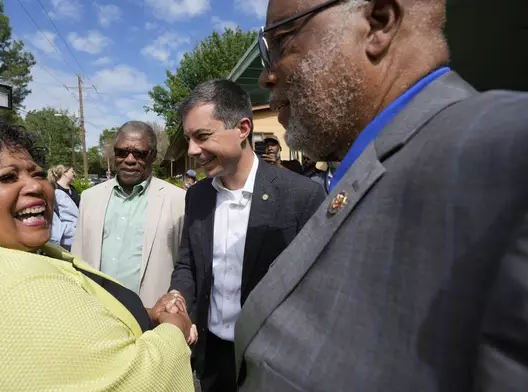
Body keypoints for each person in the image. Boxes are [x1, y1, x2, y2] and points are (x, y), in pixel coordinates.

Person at [234, 0, 528, 391]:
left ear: (378, 24)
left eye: (282, 42)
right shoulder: (367, 165)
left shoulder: (508, 154)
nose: (268, 76)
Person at [0, 113, 196, 391]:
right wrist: (174, 329)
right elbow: (136, 379)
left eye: (37, 173)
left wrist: (148, 313)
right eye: (7, 177)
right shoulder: (20, 288)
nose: (34, 185)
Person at [168, 79, 326, 392]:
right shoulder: (197, 196)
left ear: (242, 129)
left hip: (272, 362)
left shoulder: (301, 196)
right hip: (211, 360)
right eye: (189, 139)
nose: (192, 151)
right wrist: (177, 298)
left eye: (202, 136)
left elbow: (317, 291)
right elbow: (187, 264)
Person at [72, 121, 186, 307]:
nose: (130, 159)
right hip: (96, 310)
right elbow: (78, 257)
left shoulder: (178, 200)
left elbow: (185, 267)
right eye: (122, 152)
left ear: (153, 156)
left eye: (140, 153)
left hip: (151, 315)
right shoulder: (89, 198)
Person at [47, 164, 79, 250]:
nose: (74, 174)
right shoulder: (54, 189)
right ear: (64, 173)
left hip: (75, 230)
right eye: (72, 171)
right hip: (63, 236)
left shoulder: (72, 189)